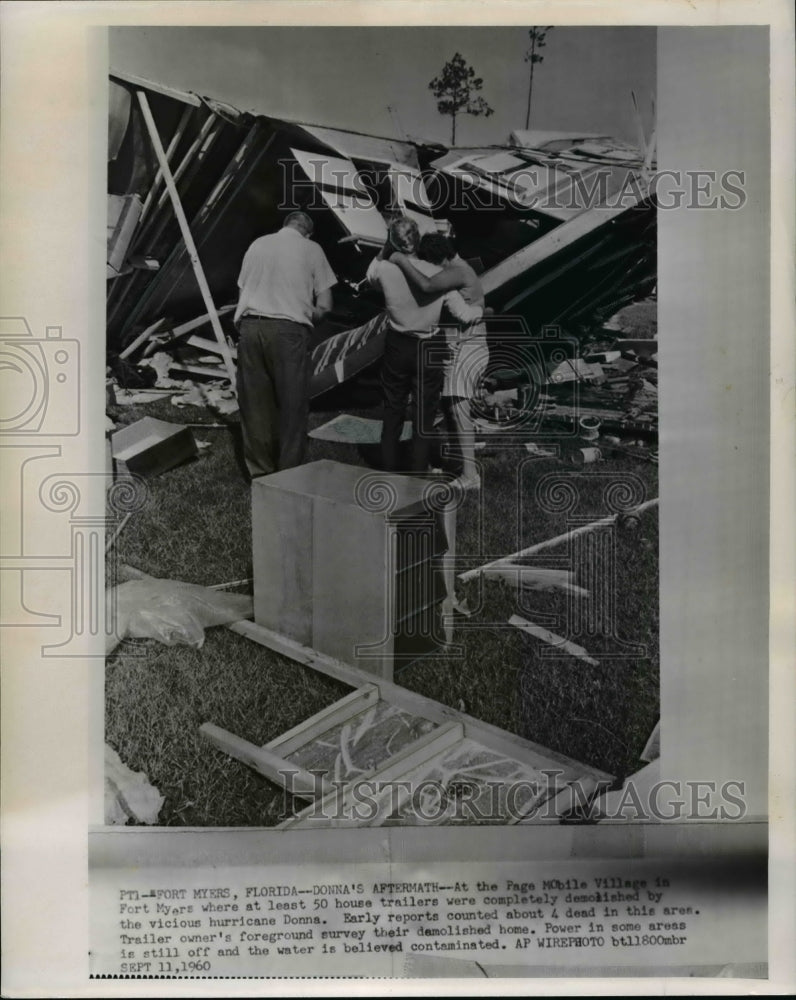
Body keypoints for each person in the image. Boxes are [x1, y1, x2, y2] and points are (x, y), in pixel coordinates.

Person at [366, 218, 483, 474]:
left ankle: (388, 467)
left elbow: (370, 273)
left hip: (397, 342)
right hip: (428, 344)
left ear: (393, 242)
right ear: (418, 239)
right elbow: (463, 314)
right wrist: (483, 310)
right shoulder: (437, 275)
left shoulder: (384, 269)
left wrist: (387, 248)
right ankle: (418, 472)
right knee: (424, 415)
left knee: (393, 409)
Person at [234, 211, 336, 479]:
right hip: (288, 330)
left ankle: (260, 473)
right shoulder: (312, 249)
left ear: (284, 226)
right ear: (308, 232)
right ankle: (287, 474)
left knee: (255, 404)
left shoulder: (258, 244)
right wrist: (308, 312)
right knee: (292, 404)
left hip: (250, 327)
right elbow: (325, 305)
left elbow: (243, 288)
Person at [391, 233, 488, 489]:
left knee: (458, 409)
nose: (432, 269)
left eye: (432, 264)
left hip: (469, 347)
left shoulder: (457, 271)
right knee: (450, 407)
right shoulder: (457, 269)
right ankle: (459, 465)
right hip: (460, 346)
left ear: (441, 258)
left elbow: (426, 285)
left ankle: (470, 476)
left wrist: (401, 260)